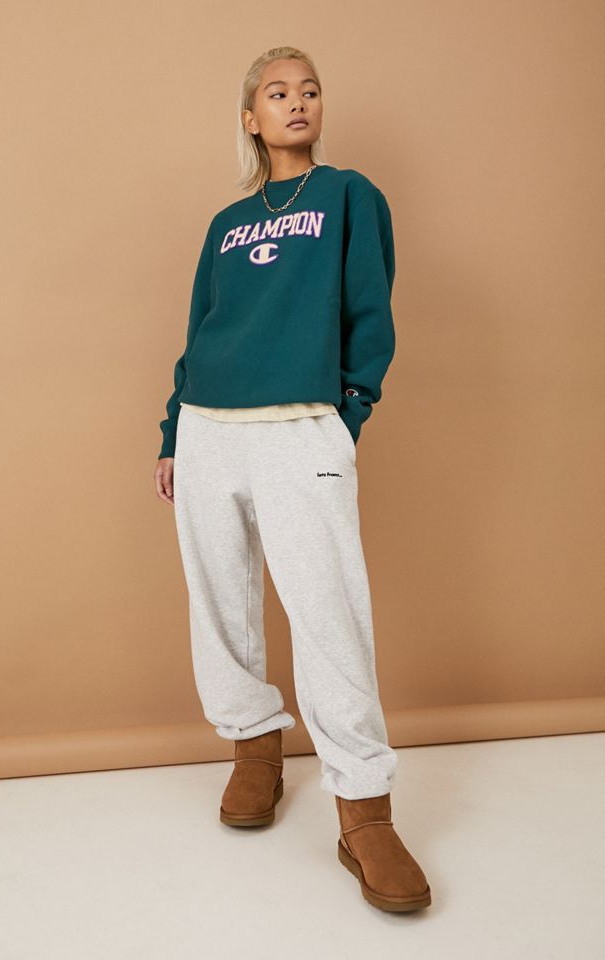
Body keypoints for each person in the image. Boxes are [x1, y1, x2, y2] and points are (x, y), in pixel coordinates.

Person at [153, 46, 431, 913]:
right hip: (209, 427)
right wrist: (173, 429)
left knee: (328, 612)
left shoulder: (348, 196)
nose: (297, 102)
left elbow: (370, 312)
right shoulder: (226, 224)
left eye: (309, 90)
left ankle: (365, 813)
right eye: (277, 92)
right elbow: (201, 330)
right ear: (252, 117)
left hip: (299, 427)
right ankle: (254, 749)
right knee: (220, 601)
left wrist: (346, 416)